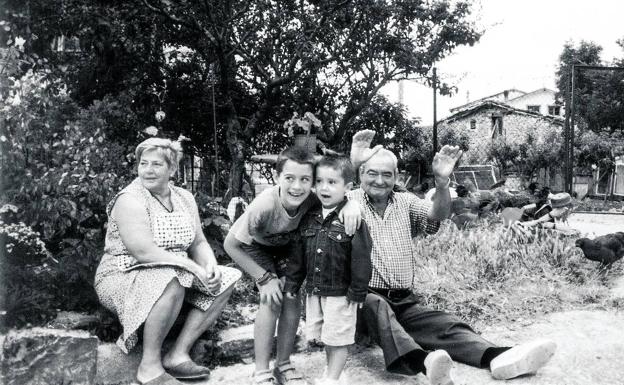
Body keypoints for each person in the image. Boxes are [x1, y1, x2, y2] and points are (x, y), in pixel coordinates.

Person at [348, 130, 557, 385]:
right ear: (360, 175)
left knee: (446, 324)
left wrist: (442, 183)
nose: (379, 180)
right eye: (371, 173)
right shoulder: (350, 201)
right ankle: (423, 363)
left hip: (403, 301)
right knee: (375, 305)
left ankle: (499, 357)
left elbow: (438, 214)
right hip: (360, 302)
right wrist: (353, 164)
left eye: (387, 174)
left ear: (396, 177)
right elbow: (325, 195)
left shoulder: (405, 202)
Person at [94, 138, 241, 385]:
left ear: (172, 170)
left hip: (175, 273)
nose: (148, 170)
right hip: (122, 274)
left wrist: (209, 266)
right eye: (143, 164)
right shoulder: (130, 198)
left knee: (226, 278)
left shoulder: (184, 197)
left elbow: (198, 243)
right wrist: (191, 267)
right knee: (171, 278)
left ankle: (178, 354)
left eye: (156, 164)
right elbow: (143, 251)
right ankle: (149, 367)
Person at [224, 147, 362, 385]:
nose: (297, 187)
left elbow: (339, 194)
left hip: (290, 249)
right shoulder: (264, 205)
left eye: (305, 180)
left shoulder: (311, 198)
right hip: (258, 249)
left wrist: (350, 204)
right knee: (271, 299)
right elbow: (231, 245)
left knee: (291, 296)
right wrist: (263, 278)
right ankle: (261, 371)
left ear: (313, 182)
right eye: (289, 178)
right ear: (278, 177)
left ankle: (284, 364)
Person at [283, 155, 372, 385]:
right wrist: (292, 283)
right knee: (327, 337)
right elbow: (298, 256)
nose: (324, 187)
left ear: (348, 188)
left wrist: (359, 290)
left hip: (341, 293)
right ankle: (335, 372)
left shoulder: (352, 218)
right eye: (320, 181)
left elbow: (362, 257)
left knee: (338, 339)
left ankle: (331, 379)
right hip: (315, 291)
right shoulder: (309, 217)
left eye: (332, 182)